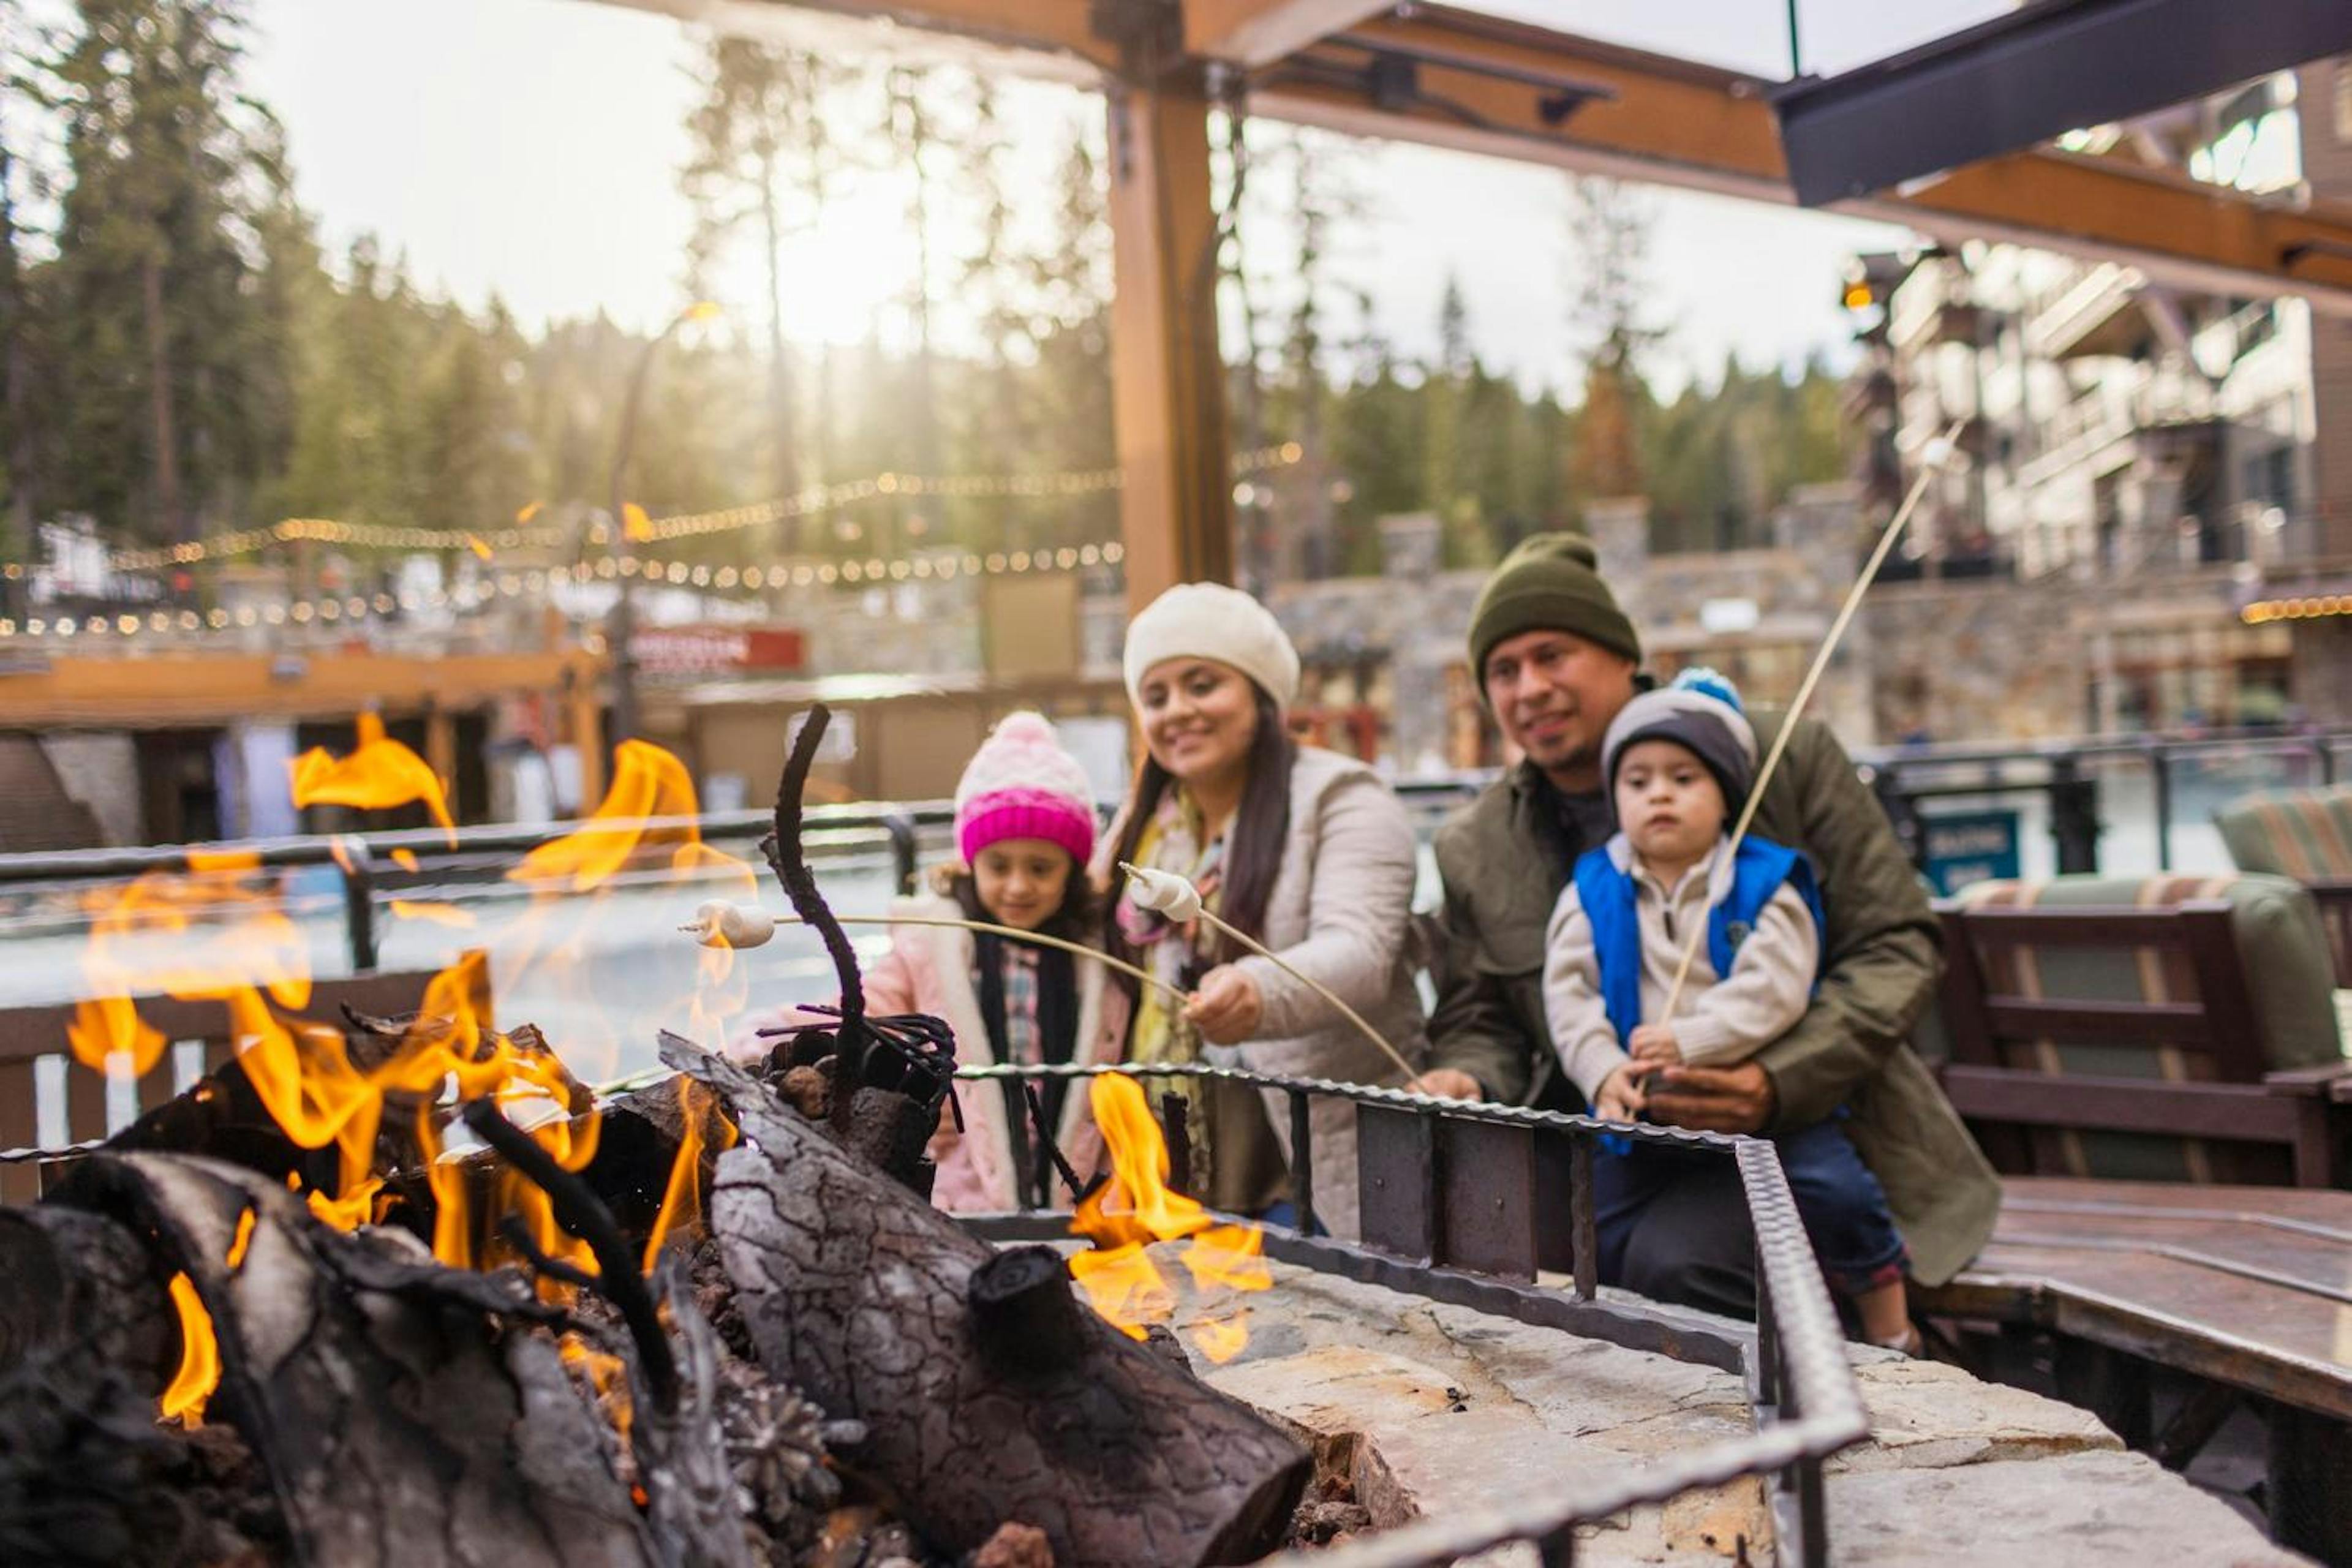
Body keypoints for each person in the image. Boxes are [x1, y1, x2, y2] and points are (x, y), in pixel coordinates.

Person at [1412, 532, 1997, 1317]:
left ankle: (1809, 1426)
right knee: (1472, 1247)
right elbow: (1481, 1017)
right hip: (1621, 1145)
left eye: (1553, 654)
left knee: (1672, 1265)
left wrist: (1775, 1080)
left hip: (1813, 1135)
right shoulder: (1477, 846)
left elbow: (1898, 942)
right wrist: (1469, 1076)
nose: (1529, 689)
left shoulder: (1782, 757)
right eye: (1503, 670)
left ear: (1624, 656)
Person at [1545, 673, 1915, 1349]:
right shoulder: (1591, 887)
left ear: (1726, 797)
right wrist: (1601, 1070)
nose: (1659, 793)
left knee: (1839, 1190)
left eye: (1683, 778)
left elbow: (1776, 984)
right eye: (1638, 781)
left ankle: (1891, 1323)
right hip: (1645, 1108)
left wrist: (1695, 1038)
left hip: (1764, 1109)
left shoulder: (1764, 880)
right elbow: (1569, 994)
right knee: (1594, 1216)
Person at [1103, 582, 1427, 1240]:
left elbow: (1361, 949)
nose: (1178, 711)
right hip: (1166, 1165)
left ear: (1259, 692)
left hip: (1308, 1165)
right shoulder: (1142, 833)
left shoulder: (1342, 798)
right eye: (1156, 695)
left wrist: (1257, 989)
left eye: (1202, 684)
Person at [746, 711, 1119, 1212]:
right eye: (999, 865)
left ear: (1072, 871)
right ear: (970, 862)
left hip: (1086, 1198)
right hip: (965, 1196)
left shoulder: (1099, 958)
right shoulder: (932, 948)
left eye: (1041, 868)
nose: (1018, 886)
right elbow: (863, 1011)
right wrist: (760, 1040)